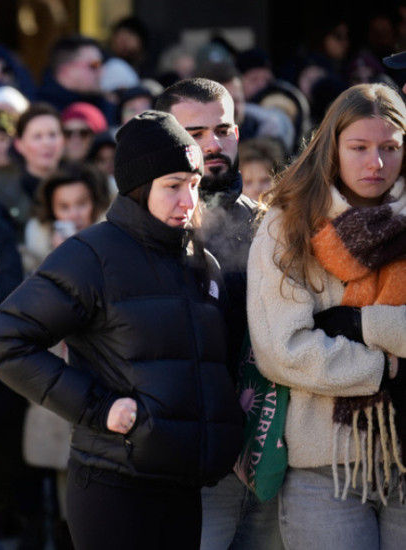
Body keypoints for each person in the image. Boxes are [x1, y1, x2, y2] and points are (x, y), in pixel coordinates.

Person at [0, 110, 243, 549]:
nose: (189, 200)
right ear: (138, 188)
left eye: (195, 185)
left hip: (185, 486)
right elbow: (7, 342)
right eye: (173, 186)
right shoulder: (91, 254)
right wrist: (98, 408)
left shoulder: (201, 261)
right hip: (115, 487)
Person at [247, 82, 406, 549]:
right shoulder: (287, 224)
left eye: (390, 148)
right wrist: (385, 368)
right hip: (324, 472)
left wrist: (362, 325)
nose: (375, 163)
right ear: (331, 147)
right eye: (359, 147)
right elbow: (283, 350)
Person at [155, 78, 280, 550]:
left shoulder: (271, 226)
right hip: (189, 453)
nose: (213, 143)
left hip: (270, 442)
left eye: (223, 129)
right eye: (196, 132)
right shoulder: (142, 233)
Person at [21, 166, 111, 274]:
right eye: (64, 207)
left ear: (95, 205)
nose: (74, 215)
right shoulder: (38, 255)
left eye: (81, 204)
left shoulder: (113, 244)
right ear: (52, 212)